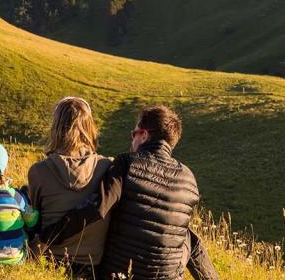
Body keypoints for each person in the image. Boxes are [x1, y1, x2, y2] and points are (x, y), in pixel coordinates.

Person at [41, 105, 219, 280]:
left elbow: (97, 208)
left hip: (120, 273)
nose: (131, 139)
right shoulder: (189, 178)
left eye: (133, 134)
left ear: (144, 135)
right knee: (186, 235)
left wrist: (48, 237)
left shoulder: (127, 162)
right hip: (168, 276)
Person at [27, 97, 111, 278]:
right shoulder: (106, 167)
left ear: (56, 127)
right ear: (89, 126)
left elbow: (34, 219)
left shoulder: (39, 171)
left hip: (50, 266)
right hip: (94, 266)